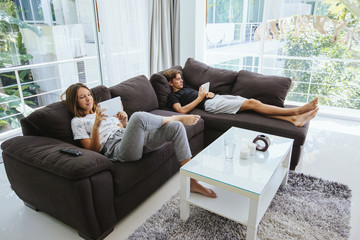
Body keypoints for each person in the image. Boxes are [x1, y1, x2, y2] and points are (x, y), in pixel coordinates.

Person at [61, 83, 217, 198]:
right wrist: (96, 126)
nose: (88, 98)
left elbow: (126, 130)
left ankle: (191, 182)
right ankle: (175, 116)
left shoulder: (103, 111)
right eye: (82, 97)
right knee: (139, 116)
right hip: (116, 148)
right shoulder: (77, 121)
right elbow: (92, 150)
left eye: (88, 94)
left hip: (129, 138)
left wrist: (124, 122)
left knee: (175, 127)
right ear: (75, 102)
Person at [164, 69, 319, 127]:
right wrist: (200, 98)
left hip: (216, 98)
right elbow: (182, 111)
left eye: (181, 78)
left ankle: (293, 120)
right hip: (211, 106)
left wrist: (207, 94)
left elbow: (198, 96)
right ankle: (296, 112)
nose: (182, 80)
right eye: (178, 79)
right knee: (252, 103)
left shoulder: (186, 88)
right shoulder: (173, 96)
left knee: (255, 104)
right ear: (171, 82)